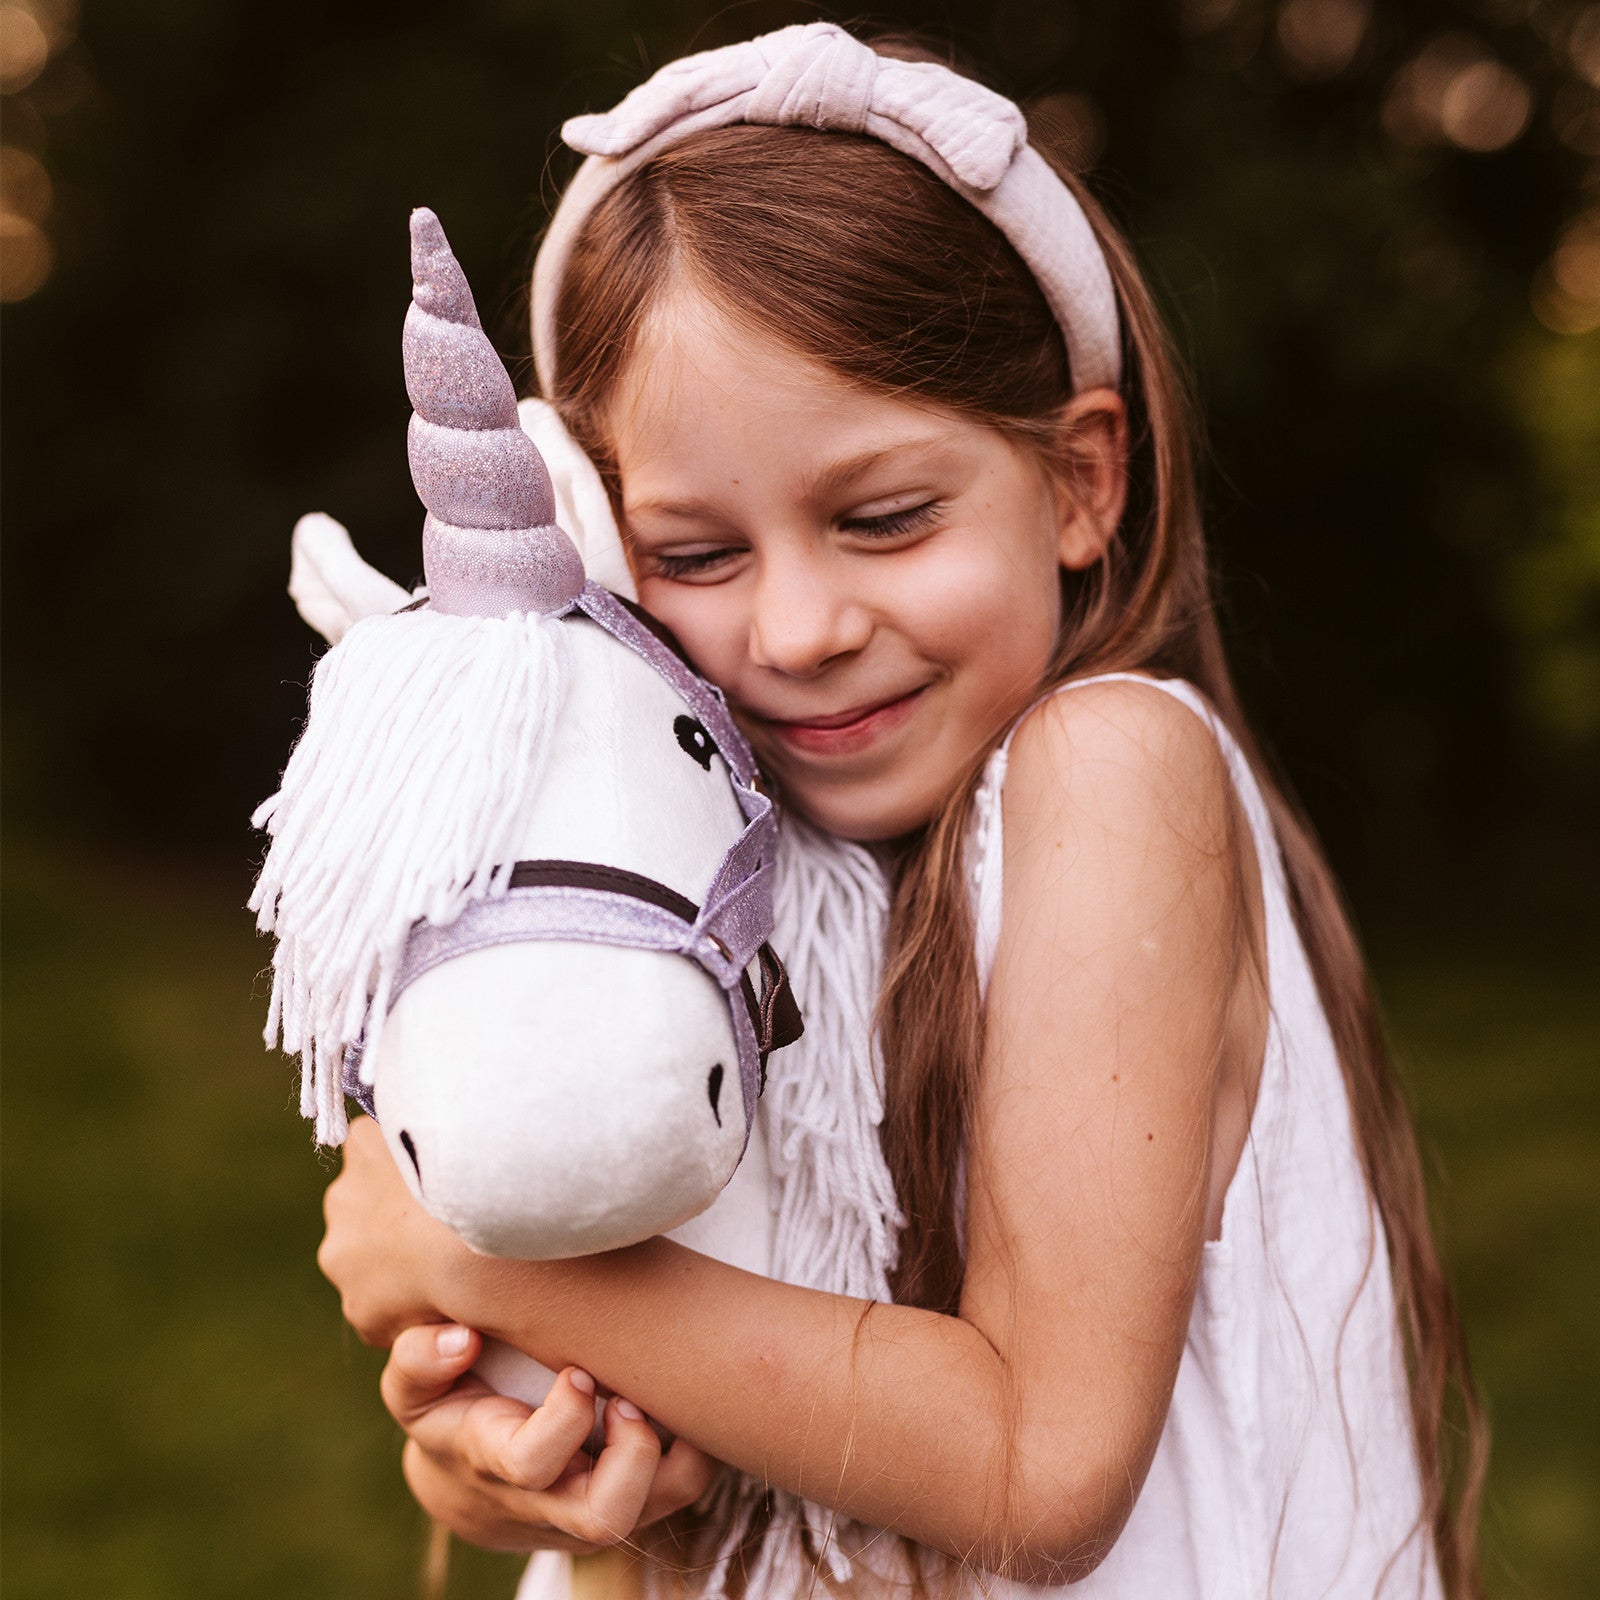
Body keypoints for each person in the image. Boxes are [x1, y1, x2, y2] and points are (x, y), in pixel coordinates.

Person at [315, 23, 1486, 1599]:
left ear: (1082, 481)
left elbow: (1039, 1469)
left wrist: (472, 1261)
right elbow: (633, 1406)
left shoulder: (1112, 770)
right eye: (697, 555)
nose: (800, 630)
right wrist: (506, 1464)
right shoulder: (699, 875)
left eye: (883, 518)